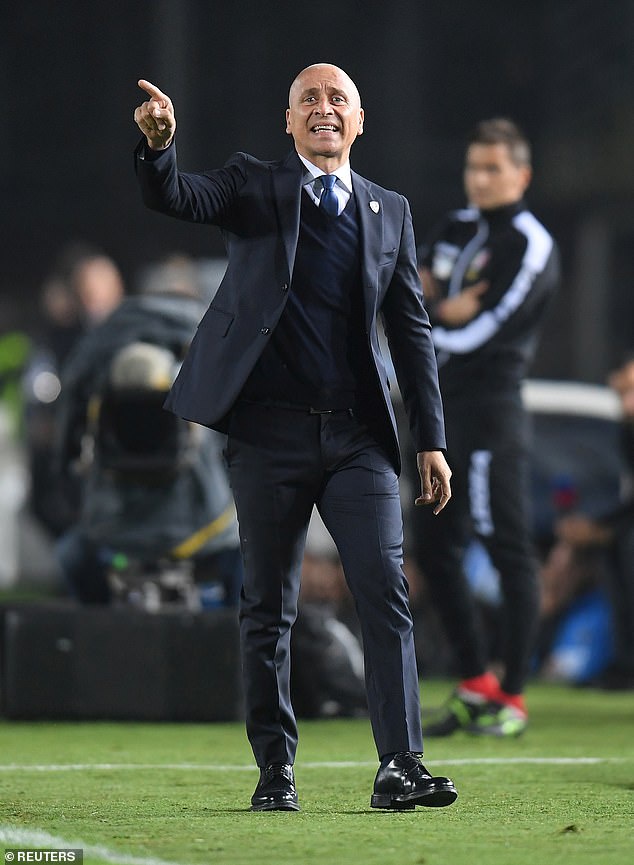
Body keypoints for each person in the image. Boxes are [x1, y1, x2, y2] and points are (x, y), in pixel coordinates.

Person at [133, 63, 458, 812]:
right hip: (268, 434)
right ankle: (275, 767)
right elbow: (177, 195)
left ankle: (400, 764)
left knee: (383, 589)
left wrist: (430, 438)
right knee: (268, 605)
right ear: (288, 122)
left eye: (336, 98)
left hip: (358, 439)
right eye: (307, 99)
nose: (322, 108)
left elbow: (411, 332)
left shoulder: (390, 211)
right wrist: (159, 149)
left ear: (359, 119)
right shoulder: (253, 185)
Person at [410, 118, 560, 737]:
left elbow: (484, 330)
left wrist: (434, 316)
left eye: (494, 168)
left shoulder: (531, 243)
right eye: (474, 167)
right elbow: (409, 292)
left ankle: (515, 698)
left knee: (506, 549)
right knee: (433, 546)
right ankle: (475, 683)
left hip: (492, 414)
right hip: (439, 411)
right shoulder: (456, 227)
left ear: (521, 175)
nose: (480, 179)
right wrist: (440, 306)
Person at [53, 257, 243, 608]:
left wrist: (75, 501)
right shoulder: (218, 341)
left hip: (114, 527)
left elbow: (65, 443)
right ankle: (238, 651)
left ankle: (95, 643)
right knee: (252, 564)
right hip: (204, 527)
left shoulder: (99, 344)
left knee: (72, 556)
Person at [554, 357, 634, 689]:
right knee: (618, 557)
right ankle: (625, 663)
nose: (626, 402)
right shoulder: (627, 431)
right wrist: (599, 526)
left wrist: (603, 525)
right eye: (623, 394)